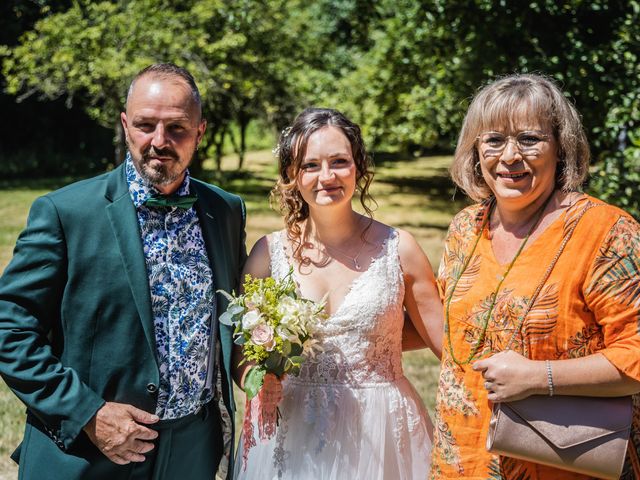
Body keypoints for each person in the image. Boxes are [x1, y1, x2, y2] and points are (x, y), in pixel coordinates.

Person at [0, 63, 246, 479]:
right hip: (89, 454)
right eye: (145, 125)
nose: (158, 142)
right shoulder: (65, 213)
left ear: (200, 132)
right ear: (125, 125)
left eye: (177, 129)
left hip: (192, 451)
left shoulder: (225, 210)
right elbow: (9, 328)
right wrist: (87, 412)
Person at [430, 73, 640, 479]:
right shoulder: (464, 229)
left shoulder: (606, 232)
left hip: (564, 464)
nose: (510, 156)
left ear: (560, 147)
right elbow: (452, 331)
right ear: (475, 151)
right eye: (494, 140)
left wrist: (540, 378)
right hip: (461, 462)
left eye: (529, 139)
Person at [233, 107, 443, 479]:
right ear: (291, 176)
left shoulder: (400, 249)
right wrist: (259, 379)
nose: (326, 177)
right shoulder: (267, 255)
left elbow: (447, 344)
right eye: (310, 165)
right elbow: (241, 353)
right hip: (292, 431)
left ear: (358, 167)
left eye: (339, 161)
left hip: (380, 435)